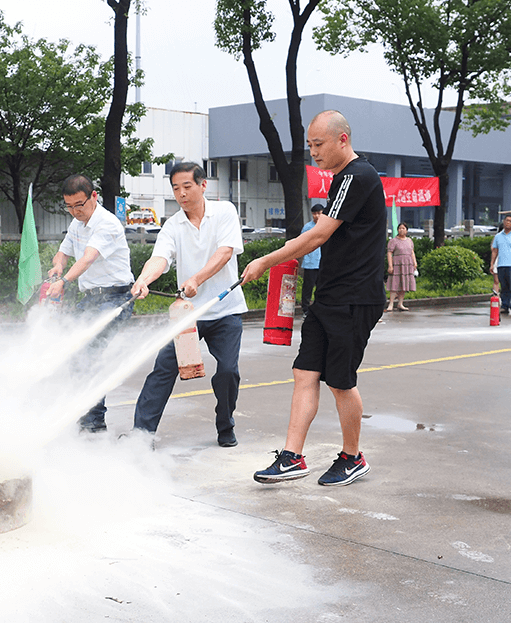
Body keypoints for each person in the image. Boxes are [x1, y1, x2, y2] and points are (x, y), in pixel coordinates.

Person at [242, 110, 385, 487]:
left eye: (318, 144)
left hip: (355, 297)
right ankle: (292, 457)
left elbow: (319, 235)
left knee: (340, 381)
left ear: (342, 139)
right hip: (330, 295)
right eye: (310, 145)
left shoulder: (358, 176)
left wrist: (267, 260)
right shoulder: (342, 179)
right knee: (304, 372)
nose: (314, 152)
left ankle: (353, 457)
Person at [130, 162, 247, 447]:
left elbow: (225, 253)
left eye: (187, 186)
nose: (181, 193)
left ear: (203, 185)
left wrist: (196, 278)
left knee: (228, 371)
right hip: (188, 314)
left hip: (225, 311)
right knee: (163, 369)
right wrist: (144, 279)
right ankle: (141, 436)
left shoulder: (224, 211)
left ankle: (225, 426)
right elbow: (160, 258)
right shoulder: (173, 225)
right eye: (175, 188)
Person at [47, 174, 135, 432]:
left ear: (93, 196)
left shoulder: (107, 223)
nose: (75, 211)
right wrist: (58, 267)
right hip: (91, 299)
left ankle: (93, 423)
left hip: (116, 299)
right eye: (69, 206)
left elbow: (87, 258)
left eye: (80, 205)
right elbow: (63, 253)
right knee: (73, 351)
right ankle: (85, 414)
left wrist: (64, 281)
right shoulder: (77, 224)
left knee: (88, 352)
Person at [385, 222, 417, 311]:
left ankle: (400, 303)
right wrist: (390, 265)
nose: (401, 230)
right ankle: (391, 304)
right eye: (400, 228)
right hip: (397, 264)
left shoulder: (409, 241)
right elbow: (389, 253)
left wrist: (414, 262)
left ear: (406, 230)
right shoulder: (393, 241)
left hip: (407, 264)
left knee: (404, 284)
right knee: (394, 284)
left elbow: (412, 252)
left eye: (403, 228)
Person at [300, 204, 324, 317]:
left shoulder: (326, 226)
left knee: (321, 287)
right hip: (310, 263)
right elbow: (301, 242)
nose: (317, 216)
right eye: (314, 213)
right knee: (308, 288)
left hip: (323, 263)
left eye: (319, 213)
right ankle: (305, 309)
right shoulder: (308, 227)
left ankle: (319, 308)